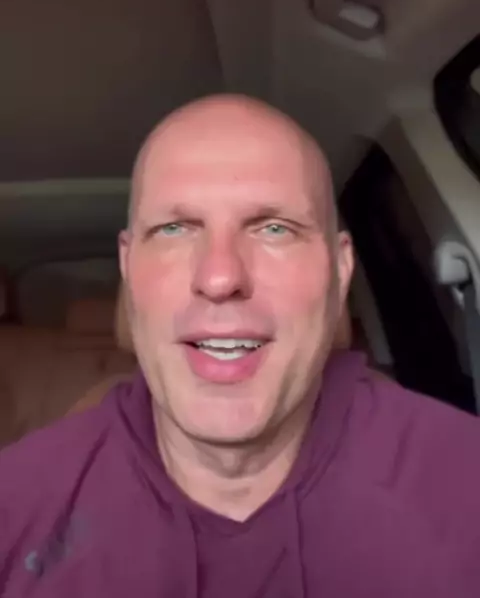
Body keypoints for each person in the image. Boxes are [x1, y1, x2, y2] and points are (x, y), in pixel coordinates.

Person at [1, 94, 480, 597]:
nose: (220, 277)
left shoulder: (464, 482)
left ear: (340, 272)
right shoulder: (16, 506)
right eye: (173, 229)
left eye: (274, 228)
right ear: (127, 266)